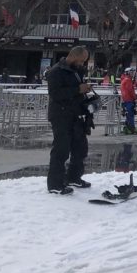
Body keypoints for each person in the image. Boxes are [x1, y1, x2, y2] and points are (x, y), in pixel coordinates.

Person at [46, 46, 96, 194]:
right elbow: (55, 94)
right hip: (61, 115)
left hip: (76, 114)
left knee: (80, 149)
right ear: (74, 57)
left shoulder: (76, 71)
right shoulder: (56, 72)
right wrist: (78, 89)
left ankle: (73, 177)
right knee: (61, 150)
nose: (82, 64)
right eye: (81, 61)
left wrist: (84, 90)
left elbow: (76, 89)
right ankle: (55, 184)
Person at [119, 66, 137, 134]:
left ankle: (127, 127)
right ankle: (132, 128)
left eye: (133, 72)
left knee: (128, 114)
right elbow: (131, 91)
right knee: (130, 114)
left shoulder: (125, 79)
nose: (133, 73)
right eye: (132, 72)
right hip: (128, 99)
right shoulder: (128, 80)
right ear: (128, 73)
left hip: (126, 99)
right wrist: (135, 97)